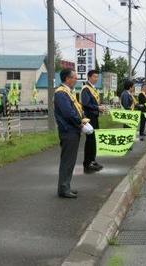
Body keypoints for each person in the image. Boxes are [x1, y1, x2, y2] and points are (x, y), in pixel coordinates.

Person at [54, 69, 86, 199]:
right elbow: (68, 113)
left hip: (72, 130)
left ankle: (66, 186)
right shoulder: (61, 93)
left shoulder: (68, 92)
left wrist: (82, 119)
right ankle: (63, 188)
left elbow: (76, 110)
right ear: (67, 79)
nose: (76, 80)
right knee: (67, 161)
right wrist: (80, 123)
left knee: (70, 161)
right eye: (74, 77)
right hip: (69, 131)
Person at [81, 70, 106, 173]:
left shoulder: (92, 88)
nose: (96, 79)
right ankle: (87, 163)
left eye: (97, 77)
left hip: (94, 117)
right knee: (90, 140)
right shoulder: (86, 89)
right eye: (95, 77)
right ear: (89, 77)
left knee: (94, 139)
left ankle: (93, 160)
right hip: (89, 117)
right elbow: (86, 104)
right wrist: (97, 108)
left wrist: (99, 107)